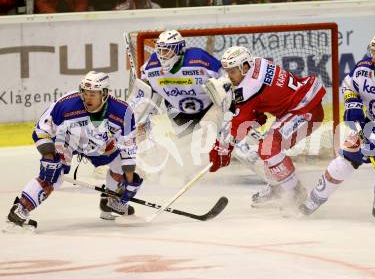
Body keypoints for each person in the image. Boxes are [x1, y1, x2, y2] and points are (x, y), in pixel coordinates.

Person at [299, 32, 375, 219]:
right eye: (372, 53)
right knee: (345, 160)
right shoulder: (364, 67)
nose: (373, 58)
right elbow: (349, 86)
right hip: (371, 121)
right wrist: (352, 105)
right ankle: (315, 198)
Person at [5, 71, 142, 231]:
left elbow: (128, 148)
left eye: (93, 94)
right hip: (67, 142)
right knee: (53, 174)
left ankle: (111, 201)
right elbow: (41, 129)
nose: (87, 98)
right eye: (85, 93)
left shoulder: (123, 112)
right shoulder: (66, 105)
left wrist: (129, 181)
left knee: (120, 165)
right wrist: (49, 157)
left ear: (104, 94)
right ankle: (20, 209)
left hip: (100, 144)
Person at [207, 46, 327, 207]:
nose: (229, 76)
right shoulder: (257, 62)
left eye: (232, 72)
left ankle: (296, 193)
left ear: (244, 67)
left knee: (269, 148)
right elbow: (264, 99)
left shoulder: (248, 88)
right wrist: (255, 114)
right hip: (299, 105)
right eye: (228, 72)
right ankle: (279, 187)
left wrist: (225, 148)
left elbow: (240, 126)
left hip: (305, 110)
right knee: (266, 149)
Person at [131, 29, 224, 138]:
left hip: (209, 107)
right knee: (180, 146)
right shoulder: (152, 66)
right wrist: (142, 121)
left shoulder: (198, 58)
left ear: (179, 49)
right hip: (179, 111)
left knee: (213, 140)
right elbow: (147, 93)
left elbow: (224, 79)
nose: (162, 55)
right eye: (159, 51)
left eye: (166, 51)